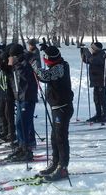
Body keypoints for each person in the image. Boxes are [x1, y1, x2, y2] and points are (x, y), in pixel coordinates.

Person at [32, 45, 74, 181]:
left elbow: (45, 76)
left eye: (46, 57)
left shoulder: (60, 67)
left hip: (62, 107)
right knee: (54, 137)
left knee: (61, 137)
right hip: (56, 106)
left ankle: (63, 167)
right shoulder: (57, 64)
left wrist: (34, 66)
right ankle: (56, 162)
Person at [7, 43, 38, 161]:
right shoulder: (19, 63)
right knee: (19, 124)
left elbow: (27, 76)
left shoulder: (26, 62)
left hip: (27, 97)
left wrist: (16, 65)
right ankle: (21, 146)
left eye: (12, 56)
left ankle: (27, 149)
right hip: (20, 96)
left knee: (23, 124)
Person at [81, 42, 106, 123]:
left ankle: (105, 115)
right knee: (96, 99)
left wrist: (87, 53)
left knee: (102, 99)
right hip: (95, 81)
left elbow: (93, 60)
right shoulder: (95, 55)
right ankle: (98, 114)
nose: (91, 49)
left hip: (101, 81)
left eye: (92, 48)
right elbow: (87, 60)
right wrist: (82, 52)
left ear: (96, 49)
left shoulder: (102, 54)